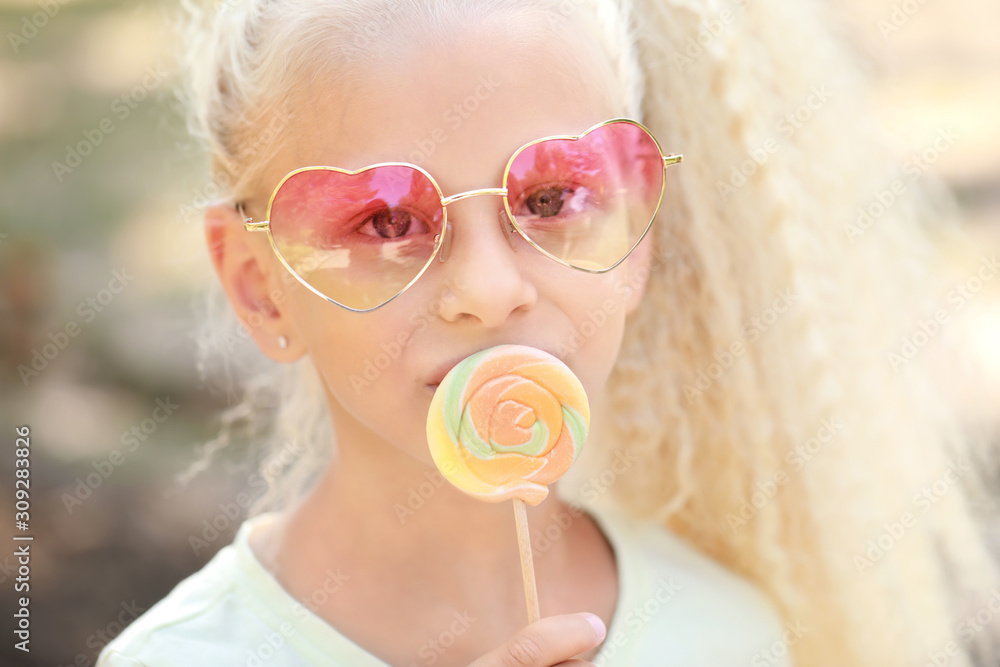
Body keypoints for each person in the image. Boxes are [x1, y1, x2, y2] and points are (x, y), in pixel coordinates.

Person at [99, 0, 1000, 665]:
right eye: (384, 221)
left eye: (552, 198)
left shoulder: (737, 634)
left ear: (640, 236)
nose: (488, 291)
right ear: (262, 289)